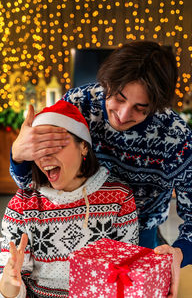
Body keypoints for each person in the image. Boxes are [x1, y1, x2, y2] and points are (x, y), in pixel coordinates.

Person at [10, 40, 192, 297]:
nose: (123, 114)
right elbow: (36, 182)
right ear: (107, 83)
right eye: (118, 98)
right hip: (70, 221)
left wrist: (181, 250)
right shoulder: (77, 105)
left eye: (141, 109)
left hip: (140, 231)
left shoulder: (177, 139)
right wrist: (18, 156)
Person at [0, 101, 139, 298]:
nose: (44, 157)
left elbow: (127, 277)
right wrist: (10, 281)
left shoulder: (119, 197)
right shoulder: (23, 205)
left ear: (83, 147)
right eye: (38, 148)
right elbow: (10, 291)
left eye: (54, 146)